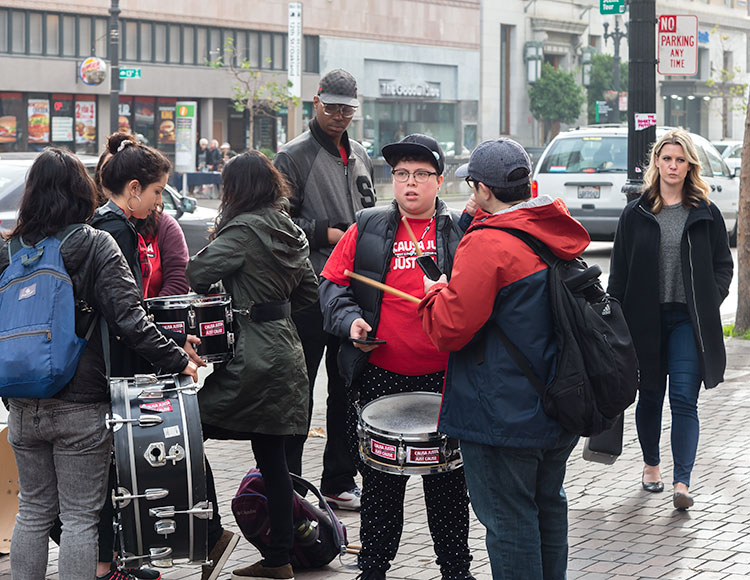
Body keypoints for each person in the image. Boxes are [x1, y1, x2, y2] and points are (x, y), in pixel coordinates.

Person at [0, 147, 198, 580]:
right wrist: (176, 358)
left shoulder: (8, 249)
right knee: (79, 517)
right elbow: (130, 319)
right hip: (81, 404)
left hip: (21, 402)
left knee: (33, 510)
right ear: (81, 191)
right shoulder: (94, 244)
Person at [418, 138, 590, 579]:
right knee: (547, 507)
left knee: (509, 521)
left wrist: (434, 292)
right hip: (558, 400)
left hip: (503, 414)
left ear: (484, 189)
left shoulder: (489, 244)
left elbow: (450, 328)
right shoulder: (550, 227)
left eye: (473, 186)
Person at [319, 135, 475, 580]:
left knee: (448, 486)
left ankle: (455, 570)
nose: (410, 183)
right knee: (381, 486)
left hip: (444, 378)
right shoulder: (367, 226)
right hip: (381, 377)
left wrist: (449, 295)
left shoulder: (460, 231)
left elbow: (482, 299)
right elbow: (331, 285)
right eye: (402, 173)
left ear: (440, 181)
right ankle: (373, 568)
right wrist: (350, 321)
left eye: (421, 174)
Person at [187, 151, 319, 580]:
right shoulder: (290, 229)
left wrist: (240, 300)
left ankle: (212, 534)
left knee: (189, 430)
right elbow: (309, 293)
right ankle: (279, 559)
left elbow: (197, 272)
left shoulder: (244, 230)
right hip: (286, 349)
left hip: (252, 353)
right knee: (273, 457)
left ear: (236, 189)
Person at [84, 133, 205, 580]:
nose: (159, 202)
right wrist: (175, 356)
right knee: (111, 473)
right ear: (133, 189)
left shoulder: (102, 223)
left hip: (105, 361)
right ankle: (108, 566)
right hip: (111, 367)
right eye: (157, 191)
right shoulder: (117, 231)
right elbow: (127, 313)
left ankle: (117, 560)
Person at [607, 128, 733, 510]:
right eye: (667, 159)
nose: (673, 166)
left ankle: (682, 483)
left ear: (689, 166)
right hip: (644, 320)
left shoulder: (705, 213)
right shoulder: (636, 213)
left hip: (687, 322)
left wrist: (708, 301)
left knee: (683, 399)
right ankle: (651, 466)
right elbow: (619, 273)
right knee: (649, 397)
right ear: (657, 163)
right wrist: (615, 320)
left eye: (680, 160)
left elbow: (723, 266)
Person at [274, 68, 376, 508]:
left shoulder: (361, 154)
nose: (339, 115)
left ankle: (338, 480)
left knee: (347, 388)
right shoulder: (292, 156)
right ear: (315, 102)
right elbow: (276, 222)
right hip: (308, 291)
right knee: (299, 391)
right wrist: (327, 233)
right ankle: (291, 484)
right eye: (332, 107)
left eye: (347, 109)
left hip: (352, 294)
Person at [136, 207, 190, 298]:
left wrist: (157, 305)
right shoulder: (112, 225)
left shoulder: (165, 226)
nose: (158, 201)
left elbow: (178, 280)